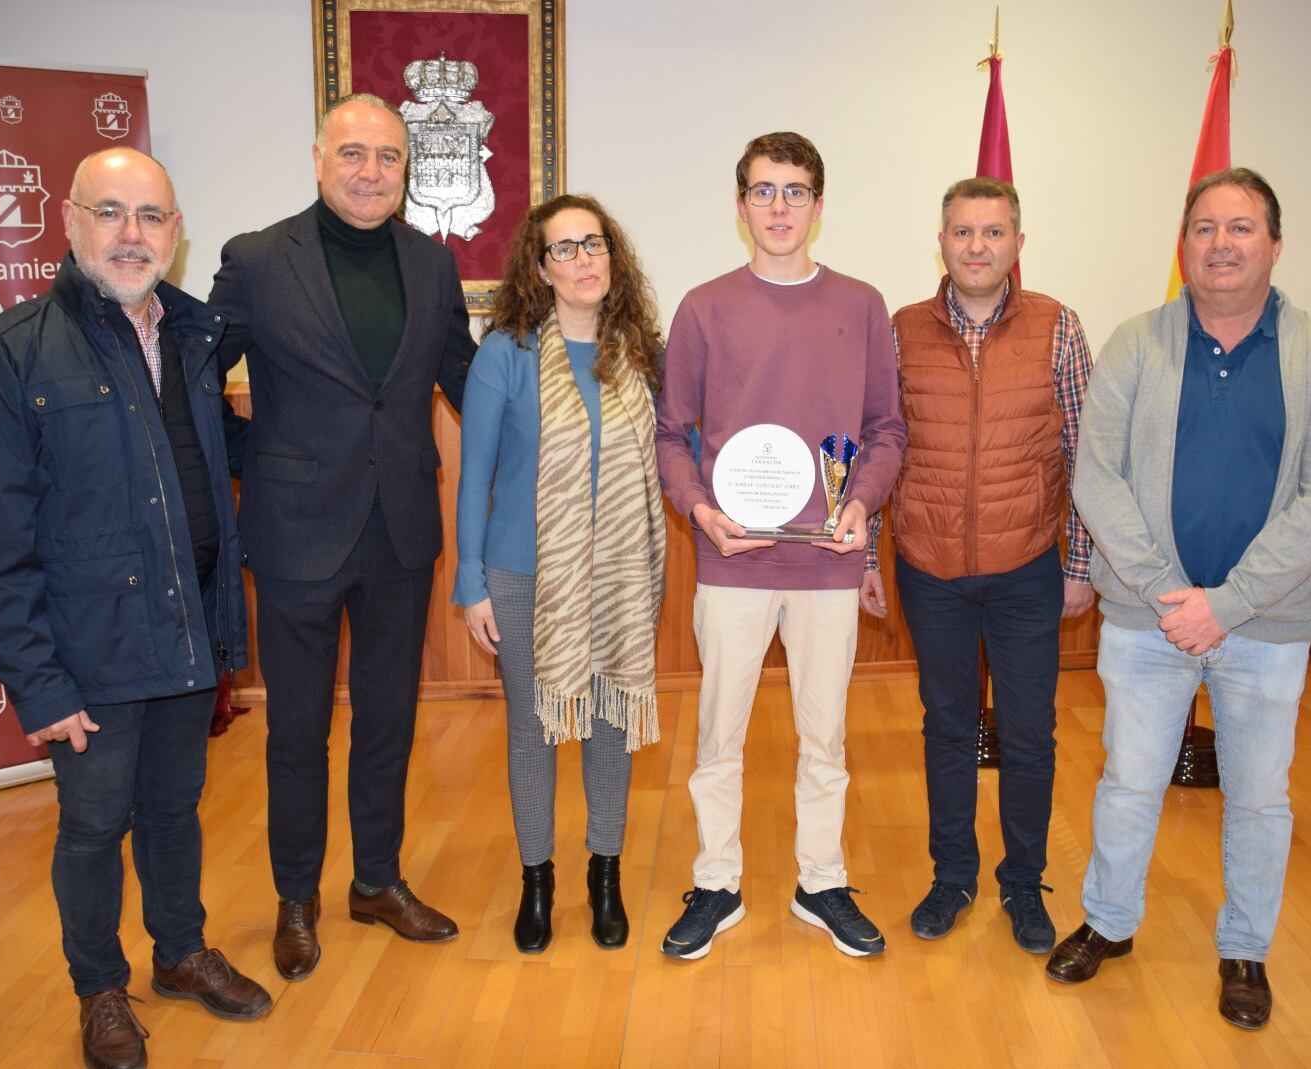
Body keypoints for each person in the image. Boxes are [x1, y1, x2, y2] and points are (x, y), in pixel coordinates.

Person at [0, 147, 271, 1069]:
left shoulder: (196, 342)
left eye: (152, 217)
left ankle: (180, 951)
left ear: (176, 233)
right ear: (69, 219)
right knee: (93, 827)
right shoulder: (4, 356)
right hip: (87, 654)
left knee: (176, 808)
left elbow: (204, 474)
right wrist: (38, 685)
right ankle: (99, 987)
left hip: (186, 630)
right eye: (112, 212)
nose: (133, 235)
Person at [1049, 167, 1311, 1029]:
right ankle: (1109, 924)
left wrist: (1226, 604)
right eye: (1203, 228)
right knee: (1127, 782)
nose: (1220, 243)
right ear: (1182, 245)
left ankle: (1245, 949)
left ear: (1275, 244)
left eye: (1241, 227)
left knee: (1260, 795)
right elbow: (1096, 477)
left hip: (1268, 625)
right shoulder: (1136, 342)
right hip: (1148, 619)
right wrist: (1164, 590)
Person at [209, 93, 474, 981]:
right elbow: (194, 383)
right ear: (318, 158)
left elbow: (464, 379)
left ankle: (376, 881)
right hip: (293, 534)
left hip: (400, 531)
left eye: (389, 157)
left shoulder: (433, 265)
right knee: (296, 729)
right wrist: (256, 457)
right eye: (353, 153)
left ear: (407, 169)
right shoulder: (255, 260)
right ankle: (295, 899)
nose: (371, 171)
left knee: (390, 721)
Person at [655, 132, 907, 960]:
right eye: (763, 191)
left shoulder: (863, 305)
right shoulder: (703, 307)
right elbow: (670, 436)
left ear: (819, 206)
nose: (779, 208)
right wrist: (698, 509)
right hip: (733, 558)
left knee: (825, 739)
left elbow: (886, 431)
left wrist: (862, 502)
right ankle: (717, 881)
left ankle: (820, 880)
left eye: (795, 191)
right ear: (740, 205)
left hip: (827, 562)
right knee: (718, 737)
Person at [859, 176, 1093, 955]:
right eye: (963, 232)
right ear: (943, 242)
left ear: (1018, 244)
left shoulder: (1058, 328)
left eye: (993, 233)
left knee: (1030, 734)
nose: (977, 247)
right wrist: (866, 553)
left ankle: (1023, 883)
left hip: (1028, 566)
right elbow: (876, 449)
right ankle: (953, 874)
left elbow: (1085, 452)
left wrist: (1080, 561)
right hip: (930, 567)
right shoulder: (899, 331)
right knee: (948, 727)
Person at [454, 194, 666, 953]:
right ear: (539, 268)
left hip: (618, 576)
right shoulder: (505, 354)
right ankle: (536, 879)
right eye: (564, 248)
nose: (583, 260)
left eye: (594, 243)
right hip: (521, 574)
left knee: (611, 720)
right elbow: (473, 473)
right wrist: (470, 581)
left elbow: (670, 458)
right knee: (534, 729)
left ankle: (603, 876)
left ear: (613, 255)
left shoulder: (638, 349)